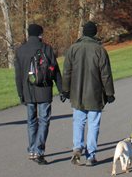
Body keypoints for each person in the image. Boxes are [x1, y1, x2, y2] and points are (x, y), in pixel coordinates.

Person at [62, 21, 115, 166]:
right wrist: (109, 93)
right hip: (95, 93)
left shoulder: (73, 49)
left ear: (83, 33)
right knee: (93, 123)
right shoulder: (100, 50)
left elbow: (67, 72)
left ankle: (77, 147)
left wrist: (65, 90)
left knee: (78, 121)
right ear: (95, 33)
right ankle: (90, 155)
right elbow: (106, 74)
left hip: (76, 92)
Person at [15, 23, 62, 164]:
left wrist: (20, 93)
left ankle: (32, 149)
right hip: (44, 90)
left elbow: (18, 76)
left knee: (31, 121)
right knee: (44, 121)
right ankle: (38, 150)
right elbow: (55, 71)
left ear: (29, 34)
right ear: (40, 34)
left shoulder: (21, 50)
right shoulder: (46, 49)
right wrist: (62, 89)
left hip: (28, 91)